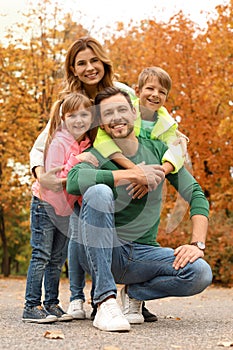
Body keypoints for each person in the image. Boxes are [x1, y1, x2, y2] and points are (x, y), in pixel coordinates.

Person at [30, 37, 177, 321]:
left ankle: (132, 294)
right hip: (87, 175)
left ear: (103, 62)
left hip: (126, 175)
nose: (89, 68)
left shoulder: (120, 91)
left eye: (94, 60)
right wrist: (40, 175)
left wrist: (155, 169)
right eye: (81, 63)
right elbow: (41, 146)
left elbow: (163, 125)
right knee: (84, 220)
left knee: (135, 225)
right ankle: (91, 299)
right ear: (73, 69)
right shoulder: (69, 103)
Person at [66, 87, 213, 332]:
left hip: (143, 255)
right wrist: (132, 174)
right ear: (102, 124)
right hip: (102, 253)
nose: (117, 118)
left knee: (199, 272)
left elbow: (195, 195)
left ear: (134, 112)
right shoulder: (97, 153)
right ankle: (104, 300)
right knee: (98, 191)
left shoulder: (158, 151)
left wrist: (197, 244)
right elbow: (74, 180)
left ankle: (135, 293)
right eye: (108, 114)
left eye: (122, 109)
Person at [22, 92, 98, 323]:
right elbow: (56, 177)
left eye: (84, 114)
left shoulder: (85, 144)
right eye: (72, 115)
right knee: (41, 255)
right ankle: (31, 305)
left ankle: (52, 304)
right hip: (45, 204)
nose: (78, 120)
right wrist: (79, 162)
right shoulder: (58, 141)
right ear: (63, 118)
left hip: (65, 210)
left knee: (57, 259)